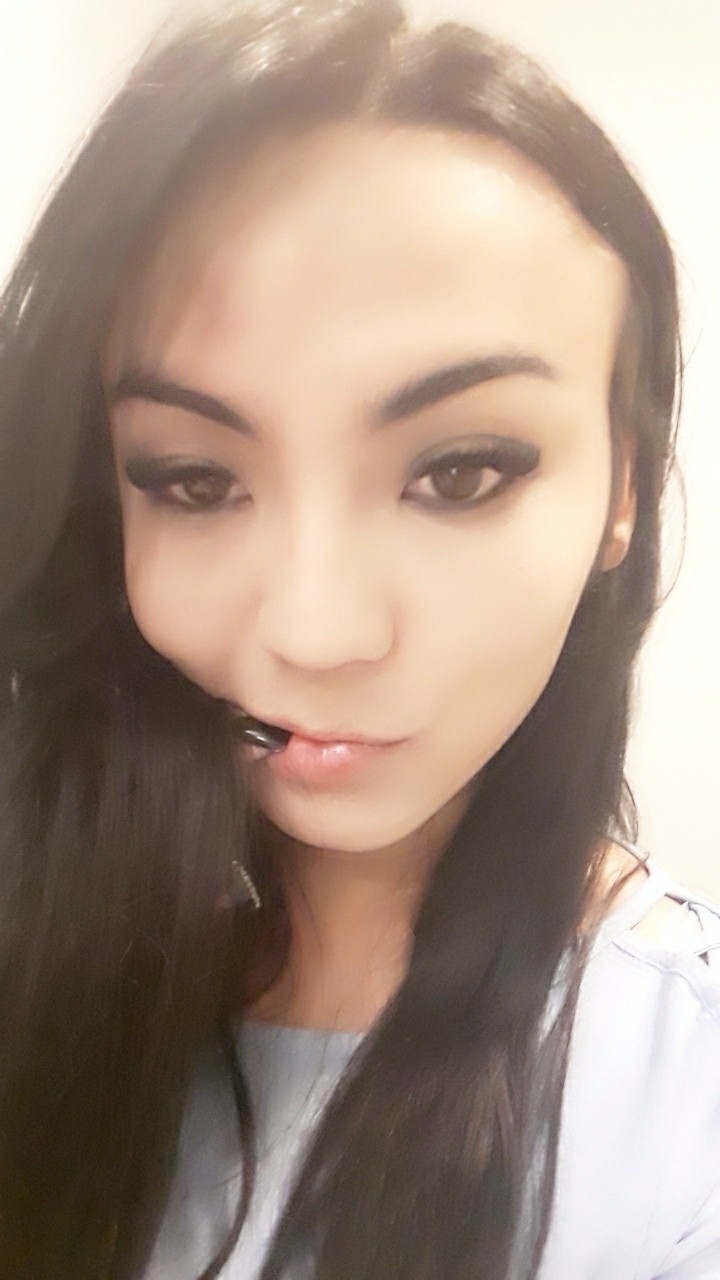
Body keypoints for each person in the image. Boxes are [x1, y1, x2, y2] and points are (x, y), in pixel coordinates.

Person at [1, 0, 719, 1276]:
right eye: (194, 480)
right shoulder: (54, 950)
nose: (316, 630)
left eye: (459, 471)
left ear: (622, 482)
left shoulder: (680, 1103)